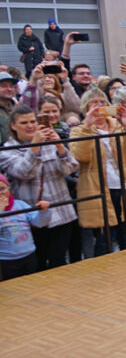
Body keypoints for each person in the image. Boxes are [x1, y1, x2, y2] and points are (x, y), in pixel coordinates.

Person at [69, 89, 126, 256]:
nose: (99, 106)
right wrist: (87, 127)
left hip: (124, 186)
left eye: (102, 102)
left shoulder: (118, 126)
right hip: (97, 189)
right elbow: (81, 157)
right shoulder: (78, 130)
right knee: (104, 241)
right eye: (94, 102)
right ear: (86, 108)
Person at [0, 106, 78, 270]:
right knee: (39, 265)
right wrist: (34, 146)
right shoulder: (7, 150)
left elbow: (70, 169)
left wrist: (59, 146)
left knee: (59, 262)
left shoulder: (48, 142)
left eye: (32, 121)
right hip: (33, 217)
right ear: (13, 126)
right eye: (24, 123)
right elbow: (23, 172)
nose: (30, 126)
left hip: (61, 212)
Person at [0, 171, 51, 279]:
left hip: (29, 255)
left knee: (30, 282)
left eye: (2, 189)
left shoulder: (20, 205)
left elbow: (39, 222)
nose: (0, 193)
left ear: (9, 189)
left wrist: (43, 211)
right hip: (5, 260)